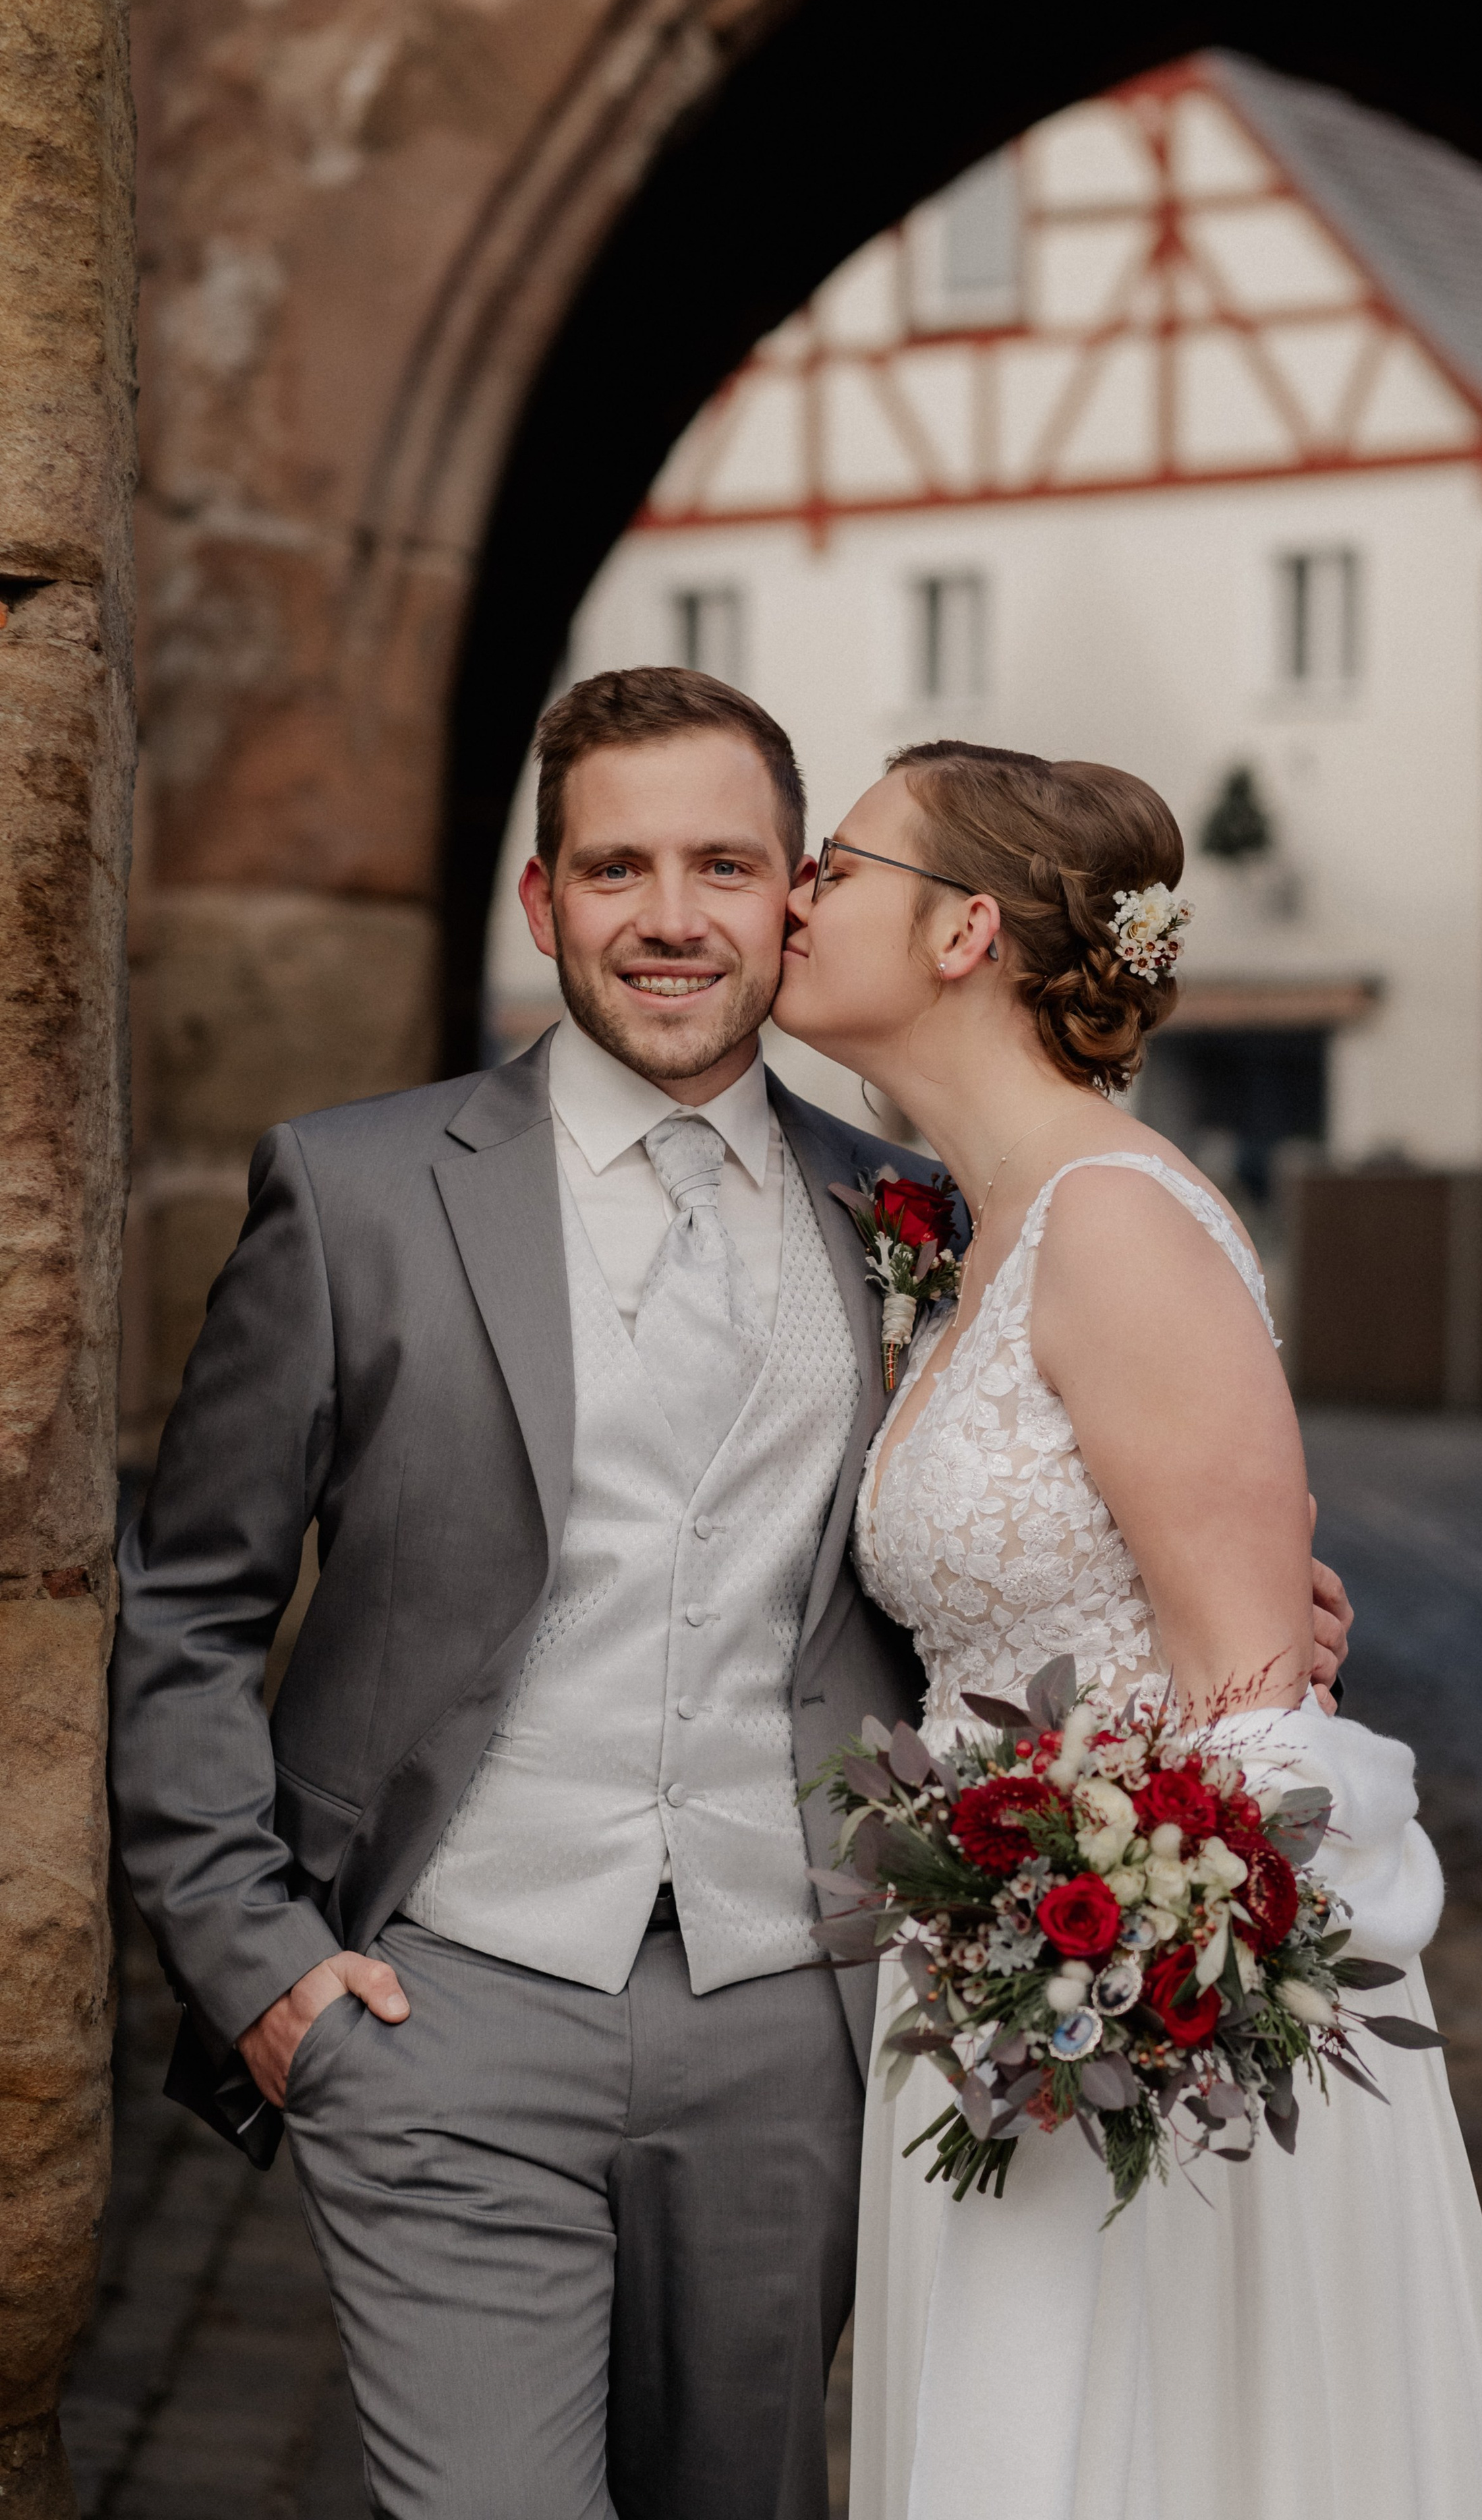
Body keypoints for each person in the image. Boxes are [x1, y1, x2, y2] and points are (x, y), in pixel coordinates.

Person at [110, 671, 1352, 2520]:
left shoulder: (921, 1215)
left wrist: (1249, 1626)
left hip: (807, 2030)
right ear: (544, 905)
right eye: (616, 868)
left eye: (726, 864)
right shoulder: (356, 1195)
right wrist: (261, 1968)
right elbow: (188, 1606)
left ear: (793, 898)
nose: (672, 917)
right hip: (442, 2005)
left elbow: (1082, 1514)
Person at [773, 740, 1482, 2520]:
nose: (801, 895)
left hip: (1132, 2005)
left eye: (838, 862)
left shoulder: (1114, 1226)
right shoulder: (983, 1230)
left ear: (967, 930)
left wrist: (1133, 1986)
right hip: (994, 1966)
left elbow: (1259, 1704)